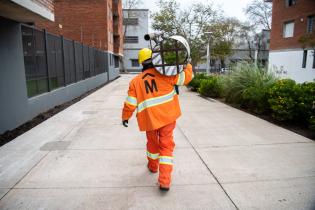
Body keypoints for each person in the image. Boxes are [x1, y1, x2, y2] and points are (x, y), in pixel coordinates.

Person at [121, 48, 193, 191]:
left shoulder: (135, 82)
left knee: (152, 145)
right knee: (166, 147)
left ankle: (153, 167)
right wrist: (188, 65)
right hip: (167, 117)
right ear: (155, 59)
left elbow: (130, 103)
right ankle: (164, 181)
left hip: (150, 121)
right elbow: (185, 78)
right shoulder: (166, 74)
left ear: (141, 62)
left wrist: (125, 117)